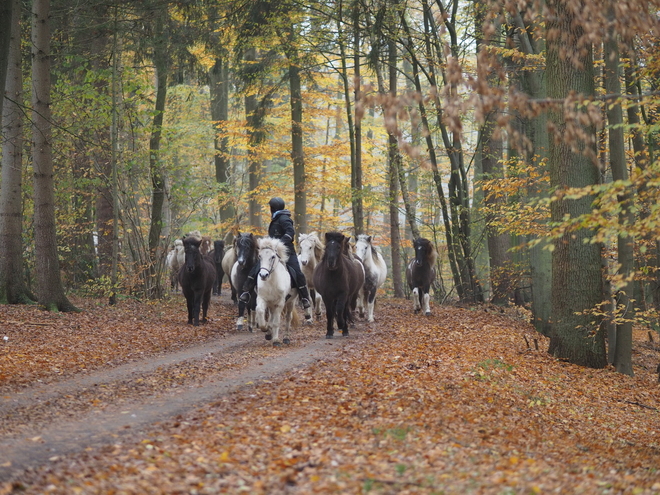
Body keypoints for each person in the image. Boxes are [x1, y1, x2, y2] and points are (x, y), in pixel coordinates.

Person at [239, 197, 312, 316]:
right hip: (272, 252)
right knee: (257, 268)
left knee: (298, 273)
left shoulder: (284, 219)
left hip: (287, 252)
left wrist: (278, 244)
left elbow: (290, 233)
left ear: (272, 208)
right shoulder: (276, 219)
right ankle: (246, 292)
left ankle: (305, 298)